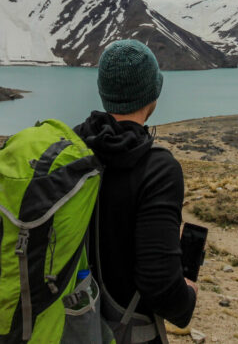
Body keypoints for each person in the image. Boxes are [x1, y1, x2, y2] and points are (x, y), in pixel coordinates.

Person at [74, 39, 197, 343]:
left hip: (68, 325)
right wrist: (189, 294)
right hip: (127, 332)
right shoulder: (158, 169)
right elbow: (162, 288)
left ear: (104, 91)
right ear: (152, 94)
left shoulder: (70, 148)